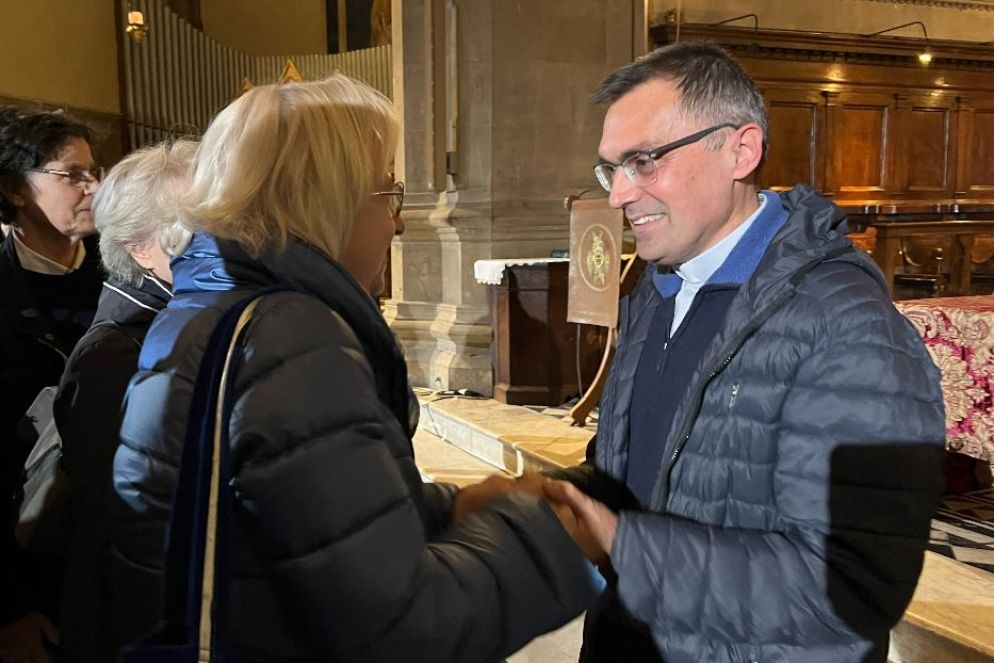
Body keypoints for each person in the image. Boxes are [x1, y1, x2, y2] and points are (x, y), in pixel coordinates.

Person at [110, 75, 596, 661]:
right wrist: (543, 537)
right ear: (327, 199)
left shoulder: (203, 306)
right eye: (388, 193)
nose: (400, 223)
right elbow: (405, 632)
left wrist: (443, 510)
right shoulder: (289, 336)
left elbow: (296, 525)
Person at [542, 42, 947, 662]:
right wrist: (556, 496)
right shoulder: (657, 291)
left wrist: (626, 546)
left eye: (644, 162)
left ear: (741, 149)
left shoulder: (846, 325)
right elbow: (635, 473)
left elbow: (852, 590)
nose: (620, 195)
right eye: (611, 169)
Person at [51, 139, 196, 662]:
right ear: (139, 246)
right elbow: (111, 526)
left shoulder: (175, 324)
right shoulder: (114, 353)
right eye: (192, 230)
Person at [0, 107, 103, 663]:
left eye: (95, 171)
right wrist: (9, 607)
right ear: (15, 189)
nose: (94, 187)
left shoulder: (129, 271)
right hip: (32, 555)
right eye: (73, 175)